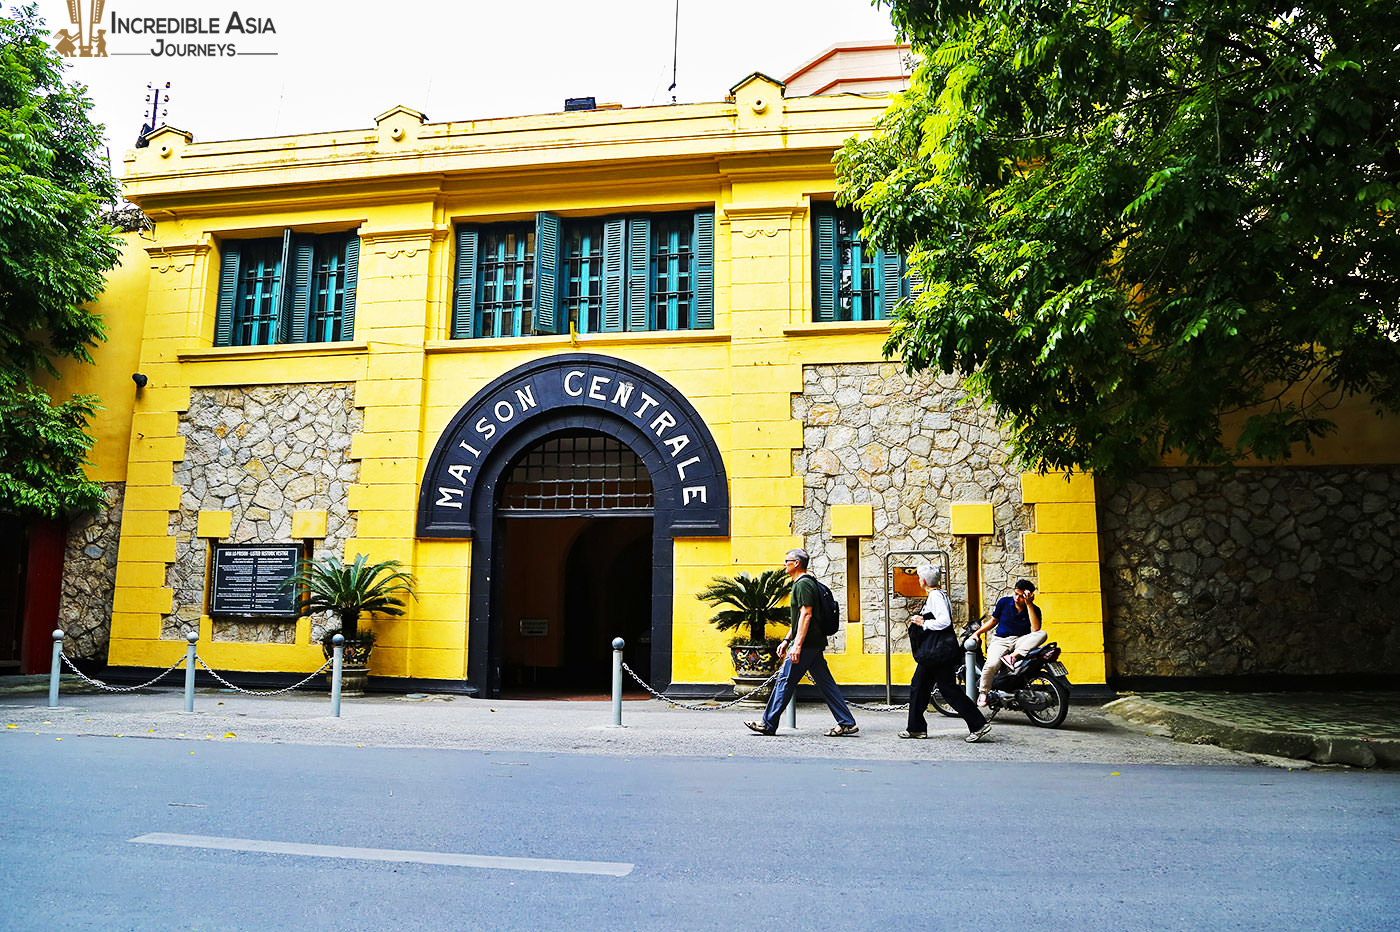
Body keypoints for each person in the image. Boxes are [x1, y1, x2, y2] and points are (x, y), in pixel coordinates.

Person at [744, 548, 859, 737]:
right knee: (826, 683)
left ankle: (768, 723)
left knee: (784, 680)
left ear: (796, 563)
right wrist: (787, 639)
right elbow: (799, 618)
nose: (784, 564)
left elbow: (806, 614)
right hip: (812, 643)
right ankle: (846, 722)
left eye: (787, 560)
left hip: (806, 644)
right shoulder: (806, 583)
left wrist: (796, 645)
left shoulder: (803, 584)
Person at [901, 564, 992, 742]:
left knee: (944, 689)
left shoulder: (935, 596)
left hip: (936, 653)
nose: (919, 580)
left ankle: (978, 724)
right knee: (920, 686)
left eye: (920, 577)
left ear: (924, 581)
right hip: (938, 652)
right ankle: (915, 728)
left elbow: (944, 621)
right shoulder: (939, 595)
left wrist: (923, 623)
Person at [971, 578, 1048, 707]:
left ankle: (1011, 657)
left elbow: (1035, 630)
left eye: (1021, 596)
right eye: (1015, 594)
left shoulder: (1034, 609)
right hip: (1001, 641)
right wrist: (977, 633)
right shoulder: (1004, 602)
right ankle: (983, 692)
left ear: (1029, 596)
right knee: (992, 664)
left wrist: (1029, 605)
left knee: (1042, 634)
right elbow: (993, 621)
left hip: (1020, 641)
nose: (1017, 598)